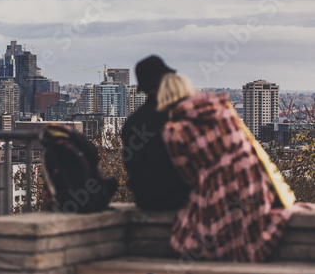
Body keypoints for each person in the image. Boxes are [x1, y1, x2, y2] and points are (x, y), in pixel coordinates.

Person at [157, 72, 314, 262]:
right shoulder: (221, 107)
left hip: (217, 189)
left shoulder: (173, 130)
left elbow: (188, 174)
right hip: (251, 178)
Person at [122, 55, 191, 211]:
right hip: (183, 200)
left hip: (147, 200)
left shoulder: (133, 122)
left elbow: (132, 166)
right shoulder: (180, 116)